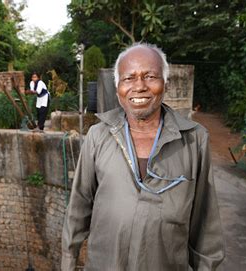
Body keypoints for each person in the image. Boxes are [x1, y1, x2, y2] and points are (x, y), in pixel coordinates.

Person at [61, 43, 225, 270]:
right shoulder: (98, 136)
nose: (139, 87)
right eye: (129, 78)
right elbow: (79, 206)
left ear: (165, 84)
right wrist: (68, 263)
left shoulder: (194, 140)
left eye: (150, 76)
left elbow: (206, 225)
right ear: (118, 86)